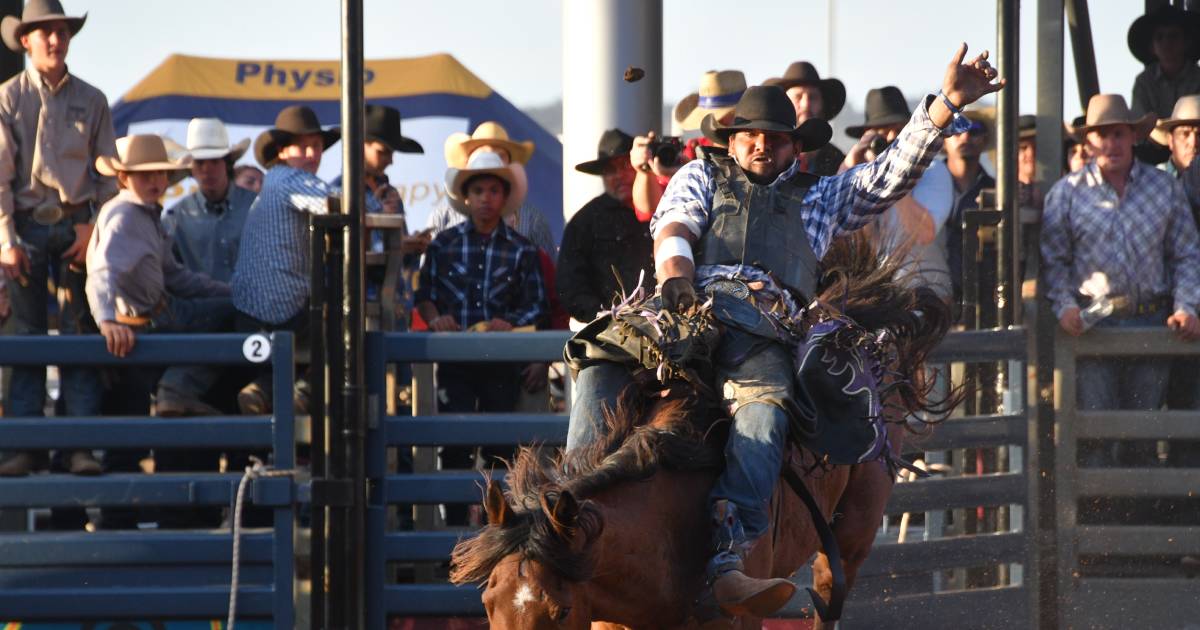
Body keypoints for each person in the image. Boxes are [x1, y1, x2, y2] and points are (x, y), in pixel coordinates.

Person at [567, 45, 1002, 621]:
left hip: (764, 325)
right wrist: (676, 275)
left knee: (765, 410)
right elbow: (674, 225)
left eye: (775, 137)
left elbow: (894, 171)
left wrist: (945, 104)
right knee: (600, 355)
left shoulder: (820, 196)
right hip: (684, 305)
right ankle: (568, 504)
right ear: (731, 139)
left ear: (796, 147)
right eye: (750, 134)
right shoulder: (700, 173)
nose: (761, 144)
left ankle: (730, 555)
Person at [1042, 94, 1200, 468]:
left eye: (1118, 134)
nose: (1110, 143)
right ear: (1088, 143)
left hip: (1151, 319)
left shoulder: (1164, 188)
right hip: (1094, 322)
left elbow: (1187, 254)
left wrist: (1186, 306)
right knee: (1096, 431)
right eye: (1102, 135)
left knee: (1142, 432)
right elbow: (1054, 262)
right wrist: (1064, 306)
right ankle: (1099, 523)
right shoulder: (1066, 194)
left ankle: (1144, 519)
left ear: (1133, 137)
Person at [0, 0, 116, 477]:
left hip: (75, 224)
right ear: (25, 40)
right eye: (44, 32)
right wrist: (6, 238)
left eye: (61, 31)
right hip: (25, 224)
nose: (53, 39)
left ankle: (78, 448)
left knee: (80, 333)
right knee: (23, 338)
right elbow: (0, 178)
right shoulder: (8, 98)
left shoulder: (93, 99)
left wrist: (94, 227)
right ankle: (27, 446)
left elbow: (108, 175)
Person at [415, 149, 546, 524]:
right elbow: (424, 297)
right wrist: (436, 318)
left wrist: (510, 322)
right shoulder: (443, 244)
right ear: (467, 197)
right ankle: (455, 537)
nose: (485, 198)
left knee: (499, 449)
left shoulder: (522, 250)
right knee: (455, 446)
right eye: (478, 190)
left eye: (493, 190)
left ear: (504, 197)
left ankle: (496, 536)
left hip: (500, 361)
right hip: (456, 361)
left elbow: (534, 306)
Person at [230, 105, 340, 413]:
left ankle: (265, 391)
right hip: (281, 309)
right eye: (302, 146)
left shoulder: (274, 181)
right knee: (346, 329)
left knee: (279, 358)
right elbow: (336, 205)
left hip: (249, 309)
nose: (311, 154)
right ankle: (302, 395)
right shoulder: (290, 179)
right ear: (282, 151)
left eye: (316, 146)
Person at [842, 86, 955, 301]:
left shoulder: (934, 170)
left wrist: (896, 177)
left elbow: (922, 233)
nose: (892, 138)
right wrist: (851, 164)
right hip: (876, 297)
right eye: (882, 133)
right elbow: (841, 231)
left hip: (925, 296)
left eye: (898, 129)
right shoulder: (863, 176)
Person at [557, 129, 653, 324]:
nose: (618, 176)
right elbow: (570, 286)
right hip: (606, 334)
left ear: (638, 164)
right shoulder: (584, 222)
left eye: (625, 165)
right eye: (610, 170)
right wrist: (604, 317)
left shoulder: (664, 209)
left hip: (665, 326)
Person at [426, 122, 556, 255]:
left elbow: (550, 272)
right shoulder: (441, 218)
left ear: (510, 166)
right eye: (482, 154)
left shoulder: (533, 221)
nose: (490, 160)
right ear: (468, 164)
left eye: (499, 156)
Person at [162, 118, 255, 285]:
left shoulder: (256, 207)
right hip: (201, 309)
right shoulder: (175, 218)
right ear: (191, 168)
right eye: (200, 163)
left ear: (227, 164)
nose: (207, 170)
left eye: (214, 161)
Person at [764, 61, 847, 176]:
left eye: (813, 97)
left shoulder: (838, 161)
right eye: (798, 97)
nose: (806, 105)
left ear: (823, 106)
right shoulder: (766, 154)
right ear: (783, 104)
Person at [1129, 5, 1200, 120]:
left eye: (1173, 36)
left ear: (1187, 43)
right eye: (1159, 37)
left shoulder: (1198, 78)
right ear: (1152, 47)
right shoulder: (1144, 82)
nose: (1166, 42)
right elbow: (1140, 127)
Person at [1153, 95, 1200, 182]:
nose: (1193, 143)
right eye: (1185, 134)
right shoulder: (1152, 181)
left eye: (1199, 135)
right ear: (1171, 140)